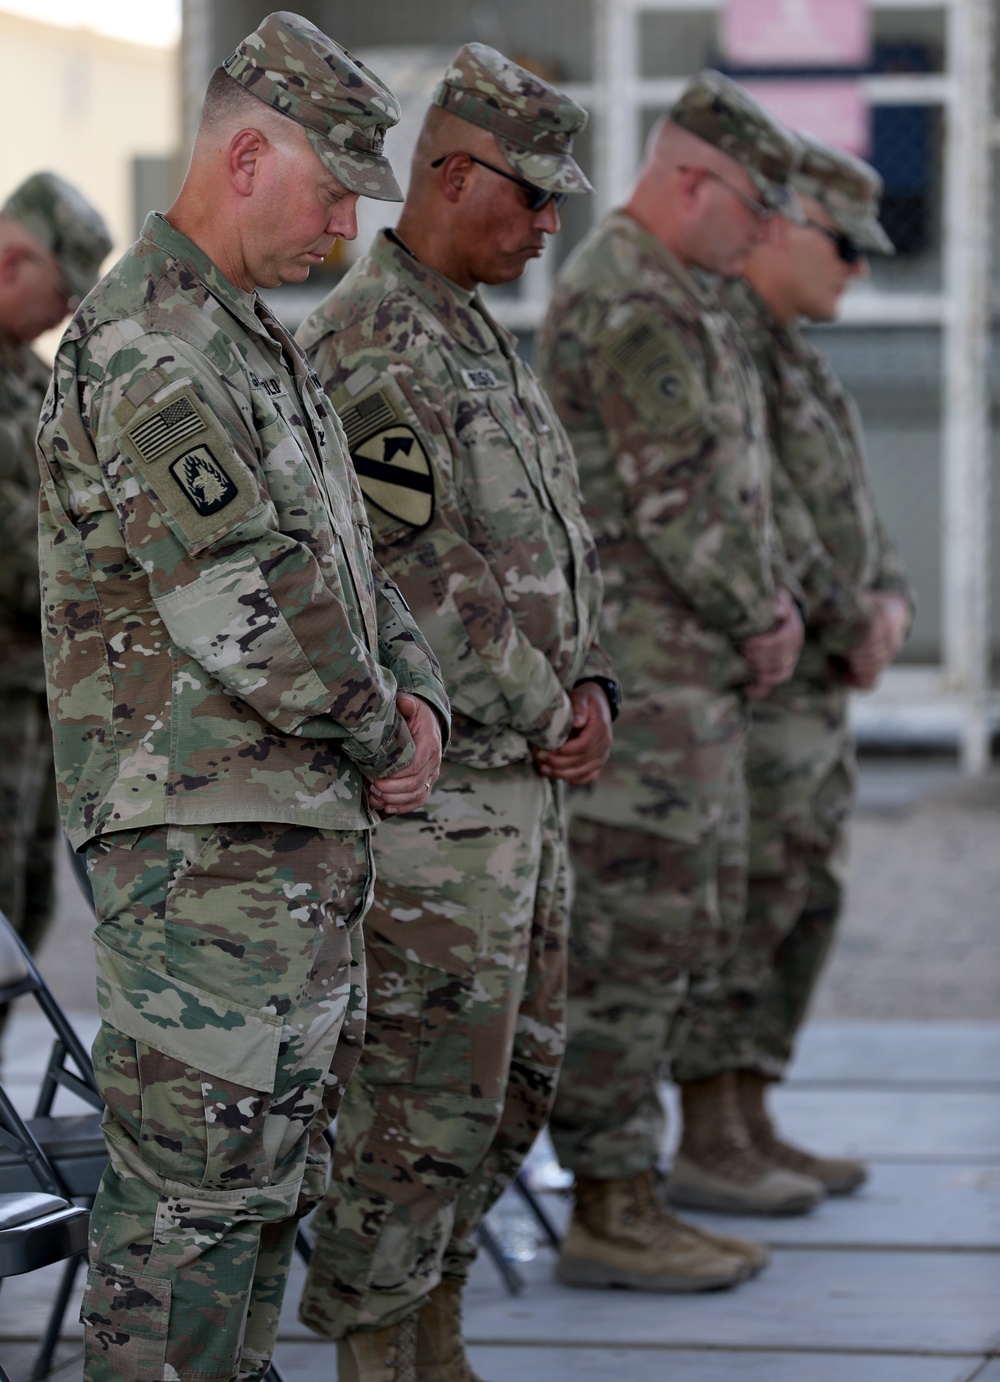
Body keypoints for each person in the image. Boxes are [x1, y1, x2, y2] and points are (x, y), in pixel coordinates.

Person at [35, 14, 449, 1381]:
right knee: (191, 1213)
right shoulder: (151, 345)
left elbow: (350, 558)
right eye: (335, 188)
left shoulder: (248, 341)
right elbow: (242, 597)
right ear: (250, 151)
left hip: (286, 838)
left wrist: (425, 695)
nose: (345, 224)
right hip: (202, 847)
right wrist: (385, 727)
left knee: (263, 1190)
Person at [294, 43, 616, 1381]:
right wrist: (552, 703)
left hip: (526, 790)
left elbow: (549, 544)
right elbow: (426, 575)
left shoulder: (471, 327)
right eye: (532, 199)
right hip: (448, 808)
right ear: (450, 173)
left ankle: (440, 1332)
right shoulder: (372, 338)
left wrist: (595, 686)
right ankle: (380, 1350)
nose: (550, 227)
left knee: (511, 1090)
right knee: (420, 1104)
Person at [536, 69, 818, 1295]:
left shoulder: (679, 290)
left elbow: (734, 486)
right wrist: (760, 610)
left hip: (688, 680)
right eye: (752, 206)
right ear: (688, 177)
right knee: (632, 947)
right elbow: (676, 499)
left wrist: (774, 606)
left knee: (686, 935)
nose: (763, 235)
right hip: (642, 685)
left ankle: (641, 1182)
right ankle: (608, 1198)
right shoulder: (626, 295)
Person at [672, 135, 914, 1193]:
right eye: (843, 244)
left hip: (815, 685)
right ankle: (709, 1133)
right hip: (760, 682)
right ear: (779, 226)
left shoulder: (792, 355)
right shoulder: (723, 345)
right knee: (746, 900)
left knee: (800, 900)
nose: (856, 269)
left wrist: (886, 599)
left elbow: (849, 511)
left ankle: (752, 1110)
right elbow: (752, 513)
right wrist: (849, 611)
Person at [0, 172, 110, 1027]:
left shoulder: (32, 387)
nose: (63, 315)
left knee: (23, 911)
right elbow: (25, 553)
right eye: (62, 292)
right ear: (12, 263)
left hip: (33, 704)